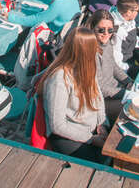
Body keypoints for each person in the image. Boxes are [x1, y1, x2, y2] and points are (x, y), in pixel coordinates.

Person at [36, 27, 108, 163]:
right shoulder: (59, 78)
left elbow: (99, 101)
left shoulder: (88, 69)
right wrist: (91, 139)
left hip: (90, 130)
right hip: (66, 136)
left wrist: (102, 124)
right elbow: (57, 126)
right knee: (102, 163)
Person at [89, 9, 132, 122]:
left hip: (115, 90)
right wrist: (125, 93)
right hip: (101, 101)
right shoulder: (90, 52)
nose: (106, 33)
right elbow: (99, 88)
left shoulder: (107, 43)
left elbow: (114, 66)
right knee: (132, 109)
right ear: (92, 28)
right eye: (101, 30)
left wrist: (128, 81)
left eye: (110, 30)